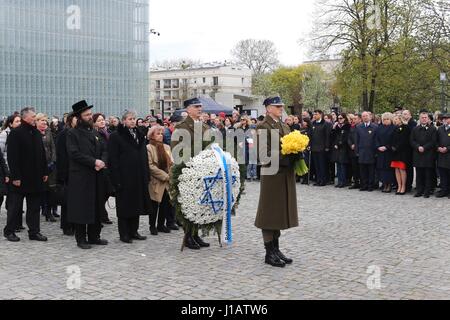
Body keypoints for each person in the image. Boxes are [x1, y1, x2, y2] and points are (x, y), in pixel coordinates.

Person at [255, 97, 298, 268]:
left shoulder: (284, 125)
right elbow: (263, 154)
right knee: (269, 213)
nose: (281, 108)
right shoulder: (262, 126)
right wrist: (285, 158)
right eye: (277, 106)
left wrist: (296, 153)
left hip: (284, 174)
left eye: (281, 106)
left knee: (279, 212)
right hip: (272, 174)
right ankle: (269, 252)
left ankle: (276, 249)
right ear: (267, 108)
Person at [66, 100, 108, 249]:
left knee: (96, 206)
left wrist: (102, 161)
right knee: (81, 208)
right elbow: (74, 154)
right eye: (86, 115)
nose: (90, 117)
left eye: (90, 114)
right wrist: (94, 162)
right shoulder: (72, 133)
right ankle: (81, 238)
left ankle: (94, 236)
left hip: (96, 176)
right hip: (81, 177)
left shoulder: (94, 132)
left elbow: (104, 149)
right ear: (79, 117)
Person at [3, 107, 48, 242]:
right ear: (25, 118)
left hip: (36, 178)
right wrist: (15, 177)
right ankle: (9, 231)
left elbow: (42, 154)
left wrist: (45, 171)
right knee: (15, 206)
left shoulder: (36, 133)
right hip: (20, 178)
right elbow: (12, 157)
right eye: (33, 116)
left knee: (34, 207)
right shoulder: (16, 133)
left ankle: (34, 232)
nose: (35, 119)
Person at [171, 98, 210, 250]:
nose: (200, 109)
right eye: (196, 106)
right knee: (189, 204)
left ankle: (195, 234)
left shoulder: (205, 127)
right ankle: (188, 236)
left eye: (200, 106)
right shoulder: (181, 127)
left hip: (204, 170)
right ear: (188, 109)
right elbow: (176, 151)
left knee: (200, 204)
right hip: (188, 170)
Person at [107, 110, 150, 243]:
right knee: (125, 206)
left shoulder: (140, 134)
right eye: (130, 119)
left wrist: (146, 174)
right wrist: (116, 179)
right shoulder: (116, 136)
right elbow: (112, 159)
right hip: (124, 177)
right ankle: (124, 233)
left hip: (138, 176)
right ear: (124, 121)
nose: (132, 121)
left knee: (136, 205)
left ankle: (134, 231)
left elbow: (144, 155)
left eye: (134, 118)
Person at [147, 125, 177, 235]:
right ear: (152, 136)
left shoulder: (167, 147)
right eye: (158, 134)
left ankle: (161, 224)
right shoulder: (149, 148)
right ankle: (152, 226)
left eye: (161, 134)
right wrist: (164, 176)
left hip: (167, 180)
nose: (160, 136)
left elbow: (172, 163)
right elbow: (150, 166)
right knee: (154, 204)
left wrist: (171, 175)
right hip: (156, 180)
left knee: (165, 204)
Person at [56, 113, 77, 236]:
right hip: (67, 171)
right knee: (67, 201)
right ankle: (66, 225)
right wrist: (62, 174)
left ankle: (74, 223)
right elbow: (61, 155)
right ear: (70, 120)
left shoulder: (79, 132)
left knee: (76, 200)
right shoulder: (64, 134)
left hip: (78, 172)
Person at [36, 113, 57, 222]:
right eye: (41, 120)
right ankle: (42, 209)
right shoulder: (34, 132)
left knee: (51, 190)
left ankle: (49, 212)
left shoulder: (48, 131)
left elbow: (53, 147)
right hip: (39, 166)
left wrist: (53, 161)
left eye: (45, 120)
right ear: (36, 121)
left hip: (50, 165)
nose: (44, 122)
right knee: (42, 190)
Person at [410, 112, 438, 198]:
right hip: (418, 154)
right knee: (419, 174)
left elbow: (433, 141)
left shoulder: (433, 129)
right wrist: (418, 147)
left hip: (428, 154)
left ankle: (427, 191)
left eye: (425, 117)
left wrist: (424, 148)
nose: (424, 119)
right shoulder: (415, 129)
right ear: (419, 118)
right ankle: (419, 190)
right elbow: (411, 140)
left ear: (428, 119)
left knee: (428, 174)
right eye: (422, 117)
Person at [93, 113, 114, 225]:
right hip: (100, 166)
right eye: (99, 120)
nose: (102, 122)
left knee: (108, 191)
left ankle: (102, 212)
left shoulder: (107, 133)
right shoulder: (94, 134)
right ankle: (101, 214)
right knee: (101, 192)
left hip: (109, 166)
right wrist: (102, 162)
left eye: (103, 120)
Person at [356, 112, 378, 191]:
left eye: (366, 116)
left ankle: (370, 185)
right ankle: (363, 185)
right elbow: (357, 140)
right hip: (361, 151)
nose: (365, 117)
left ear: (370, 117)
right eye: (363, 116)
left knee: (371, 170)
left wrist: (376, 152)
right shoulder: (358, 127)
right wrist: (357, 151)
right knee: (362, 170)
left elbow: (376, 140)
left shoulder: (375, 127)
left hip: (371, 151)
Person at [390, 115, 412, 195]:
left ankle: (403, 186)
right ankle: (399, 186)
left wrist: (397, 147)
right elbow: (391, 138)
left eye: (396, 119)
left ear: (400, 119)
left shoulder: (406, 128)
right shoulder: (394, 128)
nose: (395, 120)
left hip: (403, 152)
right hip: (395, 152)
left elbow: (405, 140)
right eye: (394, 119)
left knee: (402, 169)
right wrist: (392, 146)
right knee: (396, 169)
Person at [374, 113, 395, 193]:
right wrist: (378, 146)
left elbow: (393, 140)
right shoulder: (379, 128)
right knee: (381, 168)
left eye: (387, 119)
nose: (385, 121)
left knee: (388, 169)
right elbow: (376, 138)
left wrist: (386, 147)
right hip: (380, 151)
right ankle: (384, 183)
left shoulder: (393, 128)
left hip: (389, 152)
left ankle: (389, 184)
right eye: (384, 119)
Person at [310, 110, 331, 186]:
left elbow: (327, 136)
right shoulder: (312, 123)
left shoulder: (326, 124)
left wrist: (327, 146)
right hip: (314, 147)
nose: (314, 115)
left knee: (322, 165)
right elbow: (310, 135)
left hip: (322, 148)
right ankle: (318, 179)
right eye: (314, 114)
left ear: (321, 115)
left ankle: (323, 180)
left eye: (316, 114)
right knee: (316, 165)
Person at [331, 113, 350, 188]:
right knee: (338, 164)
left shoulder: (347, 126)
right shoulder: (337, 127)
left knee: (342, 165)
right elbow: (333, 137)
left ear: (345, 118)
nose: (339, 119)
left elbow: (346, 138)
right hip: (336, 148)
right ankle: (339, 181)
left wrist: (338, 144)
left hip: (343, 148)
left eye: (341, 118)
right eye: (338, 118)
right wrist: (333, 128)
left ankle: (343, 181)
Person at [436, 113, 450, 198]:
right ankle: (444, 190)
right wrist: (438, 147)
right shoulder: (440, 129)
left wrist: (447, 148)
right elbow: (436, 140)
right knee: (443, 174)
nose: (444, 119)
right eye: (443, 118)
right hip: (441, 155)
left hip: (449, 154)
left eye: (447, 118)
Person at [348, 114, 361, 189]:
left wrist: (356, 145)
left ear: (359, 119)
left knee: (360, 168)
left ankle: (362, 182)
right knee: (354, 167)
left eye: (355, 119)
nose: (354, 120)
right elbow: (349, 138)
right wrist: (351, 144)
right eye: (353, 119)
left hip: (360, 150)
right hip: (352, 150)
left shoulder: (361, 127)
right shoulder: (352, 127)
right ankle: (356, 182)